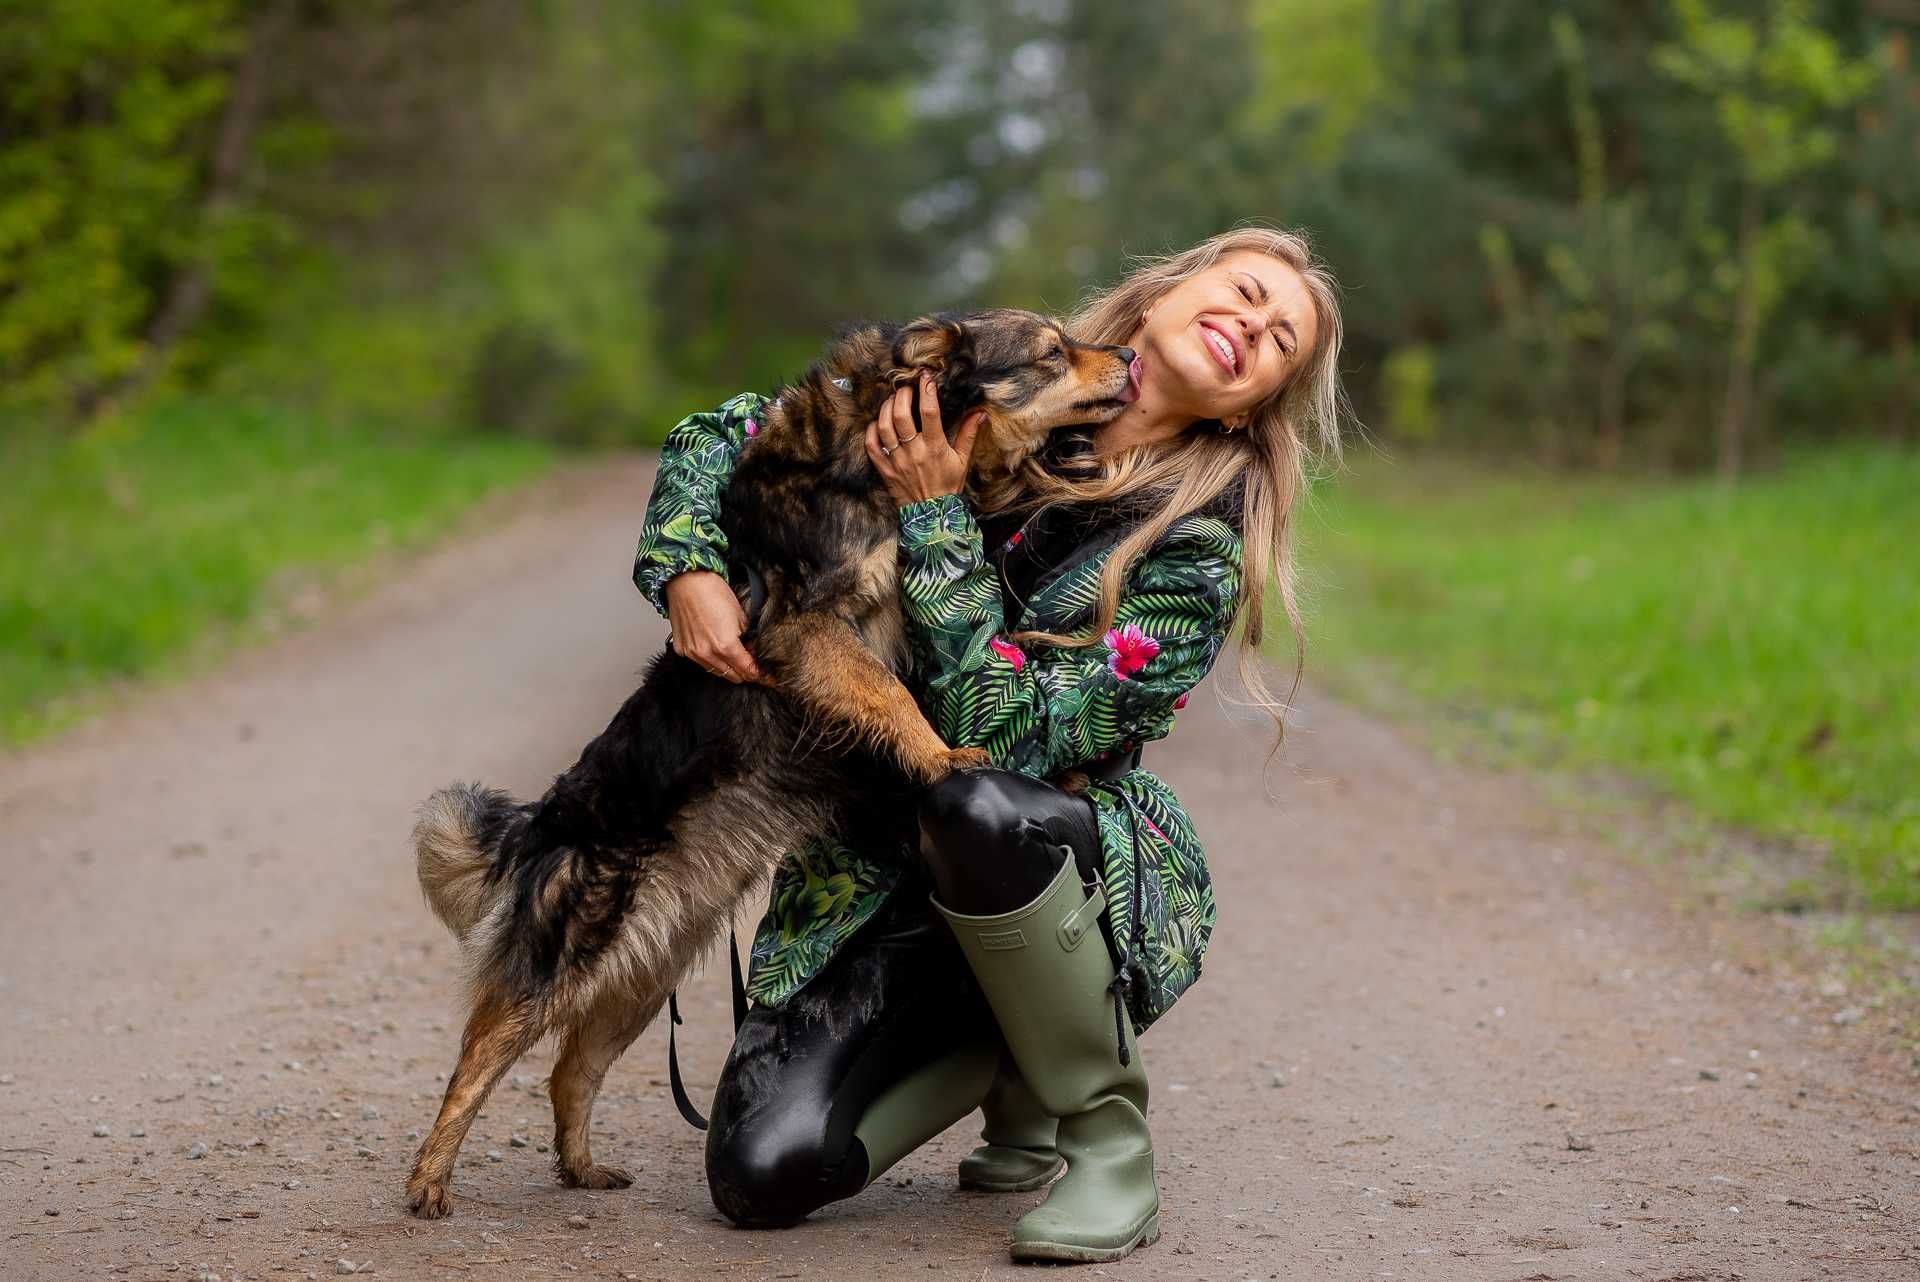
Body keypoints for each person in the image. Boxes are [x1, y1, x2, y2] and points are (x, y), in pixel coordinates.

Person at [631, 225, 1345, 1264]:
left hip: (1050, 850)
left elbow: (997, 735)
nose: (1253, 326)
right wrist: (689, 566)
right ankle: (1008, 1053)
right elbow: (732, 432)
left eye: (1281, 339)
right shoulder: (1001, 379)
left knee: (973, 802)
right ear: (1165, 295)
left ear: (1256, 405)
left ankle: (1106, 1143)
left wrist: (932, 519)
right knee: (760, 1172)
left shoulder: (1196, 551)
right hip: (881, 872)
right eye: (1243, 292)